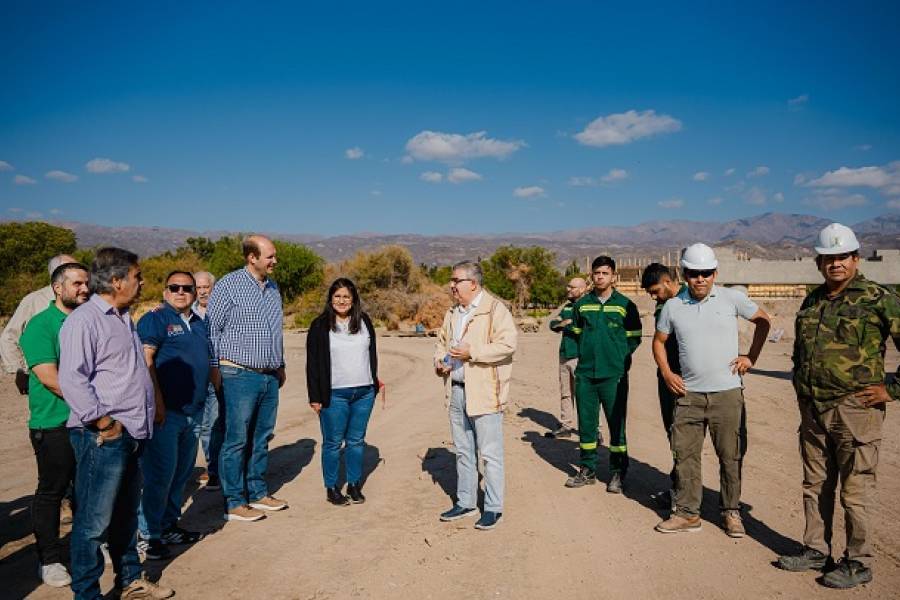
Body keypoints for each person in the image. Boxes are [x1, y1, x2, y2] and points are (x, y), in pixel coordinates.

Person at [776, 223, 900, 589]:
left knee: (856, 490)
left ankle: (858, 561)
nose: (835, 264)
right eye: (828, 258)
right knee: (815, 484)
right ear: (819, 263)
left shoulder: (880, 298)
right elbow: (802, 352)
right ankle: (816, 550)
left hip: (856, 410)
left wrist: (892, 389)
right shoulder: (812, 301)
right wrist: (802, 389)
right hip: (813, 410)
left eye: (842, 257)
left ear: (856, 259)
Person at [58, 247, 174, 600]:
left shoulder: (123, 316)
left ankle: (129, 580)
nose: (142, 283)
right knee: (93, 524)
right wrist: (104, 422)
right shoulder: (85, 320)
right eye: (137, 277)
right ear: (116, 280)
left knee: (124, 517)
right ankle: (87, 593)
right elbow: (73, 379)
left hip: (131, 434)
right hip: (103, 437)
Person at [653, 243, 770, 538]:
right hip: (688, 395)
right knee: (685, 456)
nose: (700, 279)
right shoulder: (673, 306)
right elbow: (658, 342)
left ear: (715, 273)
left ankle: (731, 512)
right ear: (684, 274)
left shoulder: (732, 299)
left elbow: (763, 321)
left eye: (706, 273)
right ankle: (687, 513)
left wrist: (751, 357)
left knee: (730, 456)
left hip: (727, 395)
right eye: (694, 273)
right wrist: (667, 373)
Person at [207, 235, 288, 522]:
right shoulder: (229, 285)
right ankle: (234, 501)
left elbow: (277, 330)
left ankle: (257, 492)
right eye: (270, 256)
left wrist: (281, 364)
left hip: (269, 376)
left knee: (262, 436)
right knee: (237, 439)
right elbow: (211, 330)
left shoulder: (273, 287)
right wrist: (214, 368)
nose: (274, 261)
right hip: (238, 374)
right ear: (251, 257)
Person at [20, 262, 89, 587]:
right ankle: (49, 559)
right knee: (52, 492)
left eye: (86, 283)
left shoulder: (89, 321)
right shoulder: (41, 325)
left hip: (87, 421)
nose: (84, 289)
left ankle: (88, 545)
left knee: (87, 490)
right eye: (76, 284)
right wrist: (94, 403)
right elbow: (49, 377)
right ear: (58, 288)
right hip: (54, 422)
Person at [434, 261, 517, 531]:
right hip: (456, 390)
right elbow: (442, 343)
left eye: (455, 280)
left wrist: (474, 352)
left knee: (490, 453)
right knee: (463, 451)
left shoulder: (495, 310)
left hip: (484, 391)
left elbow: (507, 345)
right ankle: (466, 502)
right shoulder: (453, 313)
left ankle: (493, 508)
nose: (451, 286)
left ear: (473, 283)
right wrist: (440, 361)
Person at [136, 271, 208, 560]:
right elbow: (146, 359)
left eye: (187, 288)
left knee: (180, 475)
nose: (181, 292)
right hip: (166, 413)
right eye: (174, 287)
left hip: (194, 412)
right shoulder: (156, 319)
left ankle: (168, 526)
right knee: (159, 476)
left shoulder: (200, 323)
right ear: (165, 290)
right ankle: (147, 534)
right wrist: (157, 403)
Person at [563, 256, 642, 494]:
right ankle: (587, 469)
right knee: (586, 424)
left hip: (614, 375)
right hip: (586, 374)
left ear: (613, 277)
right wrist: (583, 358)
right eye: (596, 273)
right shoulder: (582, 304)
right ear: (592, 276)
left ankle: (618, 472)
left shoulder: (625, 305)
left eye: (605, 273)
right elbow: (575, 333)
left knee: (616, 424)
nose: (600, 277)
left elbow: (634, 337)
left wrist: (619, 359)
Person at [306, 278, 380, 505]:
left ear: (354, 299)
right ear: (330, 299)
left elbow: (371, 354)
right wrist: (315, 397)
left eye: (346, 297)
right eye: (337, 296)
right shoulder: (320, 325)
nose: (342, 301)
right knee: (332, 442)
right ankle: (332, 488)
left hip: (364, 393)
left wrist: (373, 385)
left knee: (356, 441)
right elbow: (313, 364)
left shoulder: (364, 321)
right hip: (334, 394)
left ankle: (354, 484)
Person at [641, 263, 686, 509]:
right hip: (668, 377)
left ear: (668, 281)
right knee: (674, 434)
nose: (654, 296)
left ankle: (684, 493)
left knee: (683, 438)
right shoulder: (663, 304)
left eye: (656, 290)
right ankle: (679, 486)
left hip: (686, 377)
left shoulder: (688, 299)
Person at [1, 254, 76, 394]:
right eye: (71, 268)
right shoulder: (33, 300)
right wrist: (19, 370)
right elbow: (9, 336)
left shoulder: (83, 299)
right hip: (43, 379)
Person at [546, 277, 588, 439]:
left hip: (581, 357)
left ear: (583, 289)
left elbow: (585, 328)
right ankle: (566, 425)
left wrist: (567, 324)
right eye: (568, 287)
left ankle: (593, 429)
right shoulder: (568, 307)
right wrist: (566, 323)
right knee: (566, 392)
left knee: (585, 395)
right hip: (564, 354)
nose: (568, 289)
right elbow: (553, 324)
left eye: (572, 287)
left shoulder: (588, 306)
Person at [193, 271, 222, 489]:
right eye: (199, 288)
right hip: (194, 379)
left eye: (206, 287)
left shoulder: (221, 311)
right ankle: (212, 468)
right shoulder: (187, 314)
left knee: (215, 424)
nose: (202, 292)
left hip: (218, 376)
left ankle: (216, 471)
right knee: (201, 426)